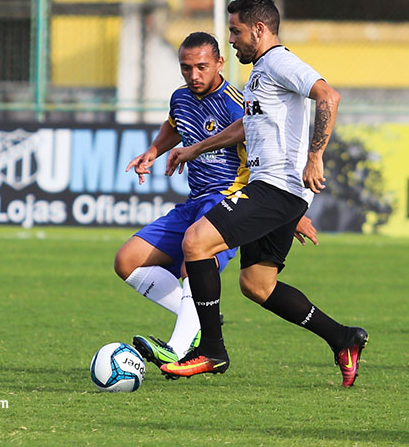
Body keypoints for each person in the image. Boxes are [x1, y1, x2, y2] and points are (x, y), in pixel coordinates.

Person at [161, 0, 368, 387]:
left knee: (196, 242)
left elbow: (328, 95)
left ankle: (212, 350)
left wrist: (316, 156)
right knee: (257, 284)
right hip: (278, 193)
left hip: (276, 187)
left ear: (259, 30)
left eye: (236, 32)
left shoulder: (279, 62)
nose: (232, 40)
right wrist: (194, 148)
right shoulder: (261, 73)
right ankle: (342, 338)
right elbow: (246, 127)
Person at [114, 31, 317, 371]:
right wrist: (152, 152)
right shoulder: (180, 98)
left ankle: (179, 348)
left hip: (229, 200)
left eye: (202, 67)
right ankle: (199, 320)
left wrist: (288, 214)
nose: (194, 75)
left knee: (190, 264)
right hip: (195, 200)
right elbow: (174, 125)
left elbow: (268, 159)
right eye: (186, 68)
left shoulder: (238, 103)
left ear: (220, 63)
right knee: (127, 261)